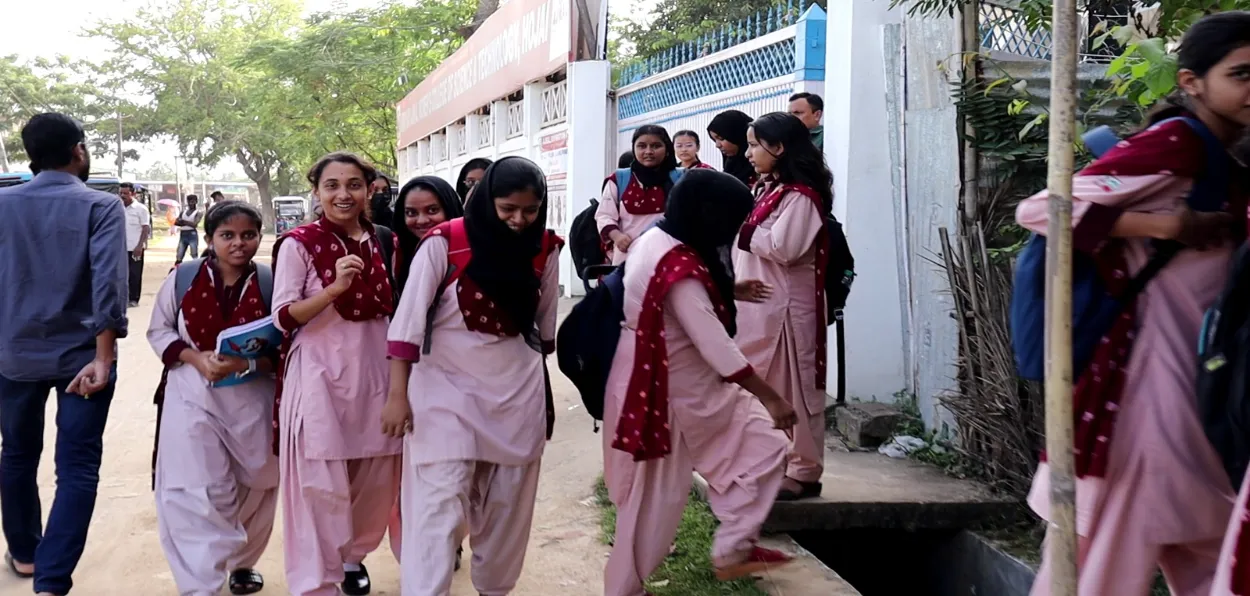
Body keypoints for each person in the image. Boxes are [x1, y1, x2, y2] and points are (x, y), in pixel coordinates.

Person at [1021, 13, 1250, 595]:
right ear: (1192, 81)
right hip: (1147, 385)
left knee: (1212, 546)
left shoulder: (1227, 155)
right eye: (1242, 74)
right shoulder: (1179, 142)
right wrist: (1170, 225)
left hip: (1198, 385)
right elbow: (1044, 209)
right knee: (1114, 557)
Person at [602, 169, 798, 596]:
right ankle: (623, 590)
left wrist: (729, 289)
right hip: (667, 394)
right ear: (709, 216)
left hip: (682, 386)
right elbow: (717, 347)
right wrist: (773, 399)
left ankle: (733, 549)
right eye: (733, 218)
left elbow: (686, 302)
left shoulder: (658, 239)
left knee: (764, 449)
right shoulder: (679, 267)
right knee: (652, 505)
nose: (735, 228)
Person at [382, 157, 562, 596]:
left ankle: (494, 589)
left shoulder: (546, 248)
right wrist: (397, 396)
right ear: (486, 202)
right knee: (436, 508)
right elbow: (405, 327)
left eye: (530, 210)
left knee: (507, 509)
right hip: (444, 396)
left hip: (515, 398)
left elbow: (543, 331)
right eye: (507, 209)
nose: (519, 220)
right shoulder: (444, 244)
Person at [0, 113, 127, 596]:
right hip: (82, 361)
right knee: (76, 467)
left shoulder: (2, 205)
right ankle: (51, 580)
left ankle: (27, 552)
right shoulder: (101, 206)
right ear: (78, 150)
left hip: (13, 357)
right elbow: (108, 286)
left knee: (16, 454)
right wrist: (105, 357)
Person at [272, 152, 402, 596]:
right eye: (332, 185)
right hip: (321, 377)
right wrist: (334, 289)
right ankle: (316, 582)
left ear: (370, 189)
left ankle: (351, 559)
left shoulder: (385, 240)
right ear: (317, 192)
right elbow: (284, 316)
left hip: (377, 377)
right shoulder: (299, 243)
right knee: (319, 487)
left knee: (376, 480)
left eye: (353, 184)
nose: (343, 194)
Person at [148, 201, 277, 596]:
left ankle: (243, 563)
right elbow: (159, 330)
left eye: (248, 235)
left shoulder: (272, 281)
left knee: (257, 483)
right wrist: (193, 358)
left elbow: (289, 341)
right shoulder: (184, 277)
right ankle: (201, 583)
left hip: (253, 399)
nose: (238, 244)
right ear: (209, 239)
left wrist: (247, 365)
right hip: (191, 394)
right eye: (227, 235)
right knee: (196, 489)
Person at [734, 112, 834, 502]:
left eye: (755, 145)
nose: (749, 153)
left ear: (778, 148)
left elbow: (785, 247)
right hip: (766, 309)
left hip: (789, 312)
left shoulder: (801, 197)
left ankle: (804, 470)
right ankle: (773, 464)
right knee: (768, 388)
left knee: (795, 390)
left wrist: (743, 230)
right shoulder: (772, 189)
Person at [384, 174, 466, 568]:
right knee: (408, 473)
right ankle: (419, 554)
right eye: (411, 212)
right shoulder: (393, 251)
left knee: (452, 469)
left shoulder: (465, 251)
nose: (421, 220)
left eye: (432, 210)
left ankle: (448, 541)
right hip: (401, 375)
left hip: (453, 381)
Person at [596, 125, 680, 265]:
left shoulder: (681, 178)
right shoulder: (619, 179)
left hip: (670, 258)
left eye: (656, 146)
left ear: (667, 150)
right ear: (634, 149)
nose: (648, 151)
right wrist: (617, 236)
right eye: (641, 146)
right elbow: (604, 215)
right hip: (627, 257)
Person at [707, 110, 756, 187]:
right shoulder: (730, 166)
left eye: (721, 138)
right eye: (714, 140)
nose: (717, 145)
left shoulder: (761, 170)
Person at [122, 181, 152, 307]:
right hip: (121, 248)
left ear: (133, 193)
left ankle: (134, 299)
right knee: (122, 275)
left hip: (135, 248)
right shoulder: (117, 207)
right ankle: (124, 298)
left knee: (135, 274)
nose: (123, 196)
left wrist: (140, 246)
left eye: (126, 193)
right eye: (121, 193)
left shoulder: (141, 209)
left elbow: (145, 228)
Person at [175, 195, 204, 266]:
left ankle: (197, 270)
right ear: (187, 202)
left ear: (196, 202)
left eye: (193, 201)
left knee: (194, 254)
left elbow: (194, 224)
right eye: (189, 201)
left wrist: (182, 221)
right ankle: (176, 271)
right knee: (179, 254)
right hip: (184, 234)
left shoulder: (198, 212)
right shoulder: (183, 212)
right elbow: (176, 222)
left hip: (192, 234)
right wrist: (187, 223)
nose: (191, 203)